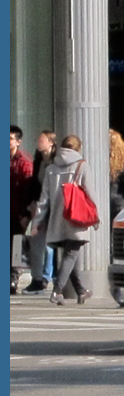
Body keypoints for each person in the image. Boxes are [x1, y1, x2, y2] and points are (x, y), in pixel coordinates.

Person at [31, 135, 97, 305]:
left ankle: (81, 291)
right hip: (76, 218)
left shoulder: (51, 168)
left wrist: (37, 221)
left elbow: (43, 199)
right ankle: (57, 291)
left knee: (69, 254)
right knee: (71, 253)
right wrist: (95, 217)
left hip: (58, 219)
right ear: (78, 148)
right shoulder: (82, 166)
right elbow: (90, 194)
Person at [23, 130, 58, 294]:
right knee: (36, 240)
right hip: (40, 205)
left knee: (50, 244)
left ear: (51, 143)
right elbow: (34, 185)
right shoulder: (38, 162)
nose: (39, 142)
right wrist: (31, 204)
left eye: (42, 140)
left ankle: (46, 276)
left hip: (54, 206)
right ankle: (37, 278)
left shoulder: (56, 162)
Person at [10, 126, 34, 294]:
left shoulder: (24, 161)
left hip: (17, 213)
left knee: (15, 248)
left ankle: (12, 280)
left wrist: (26, 214)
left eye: (10, 138)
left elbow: (29, 189)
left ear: (18, 141)